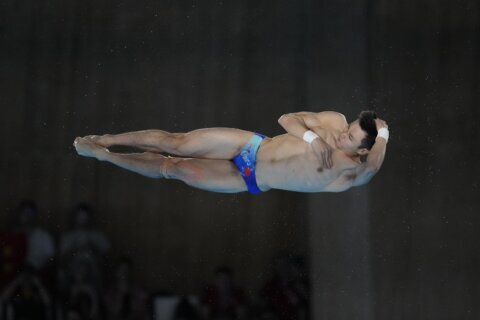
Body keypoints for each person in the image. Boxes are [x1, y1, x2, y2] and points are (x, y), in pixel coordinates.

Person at [73, 110, 389, 194]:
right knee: (176, 141)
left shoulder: (350, 170)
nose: (341, 136)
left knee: (176, 169)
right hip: (250, 145)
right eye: (348, 128)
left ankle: (106, 156)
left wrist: (385, 134)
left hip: (248, 178)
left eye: (350, 139)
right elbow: (285, 119)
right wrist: (312, 138)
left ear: (361, 150)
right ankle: (107, 138)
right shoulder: (331, 122)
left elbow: (373, 169)